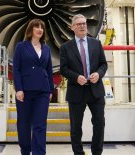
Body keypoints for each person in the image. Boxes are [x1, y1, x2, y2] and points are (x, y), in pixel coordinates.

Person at [60, 14, 108, 155]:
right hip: (76, 91)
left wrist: (98, 74)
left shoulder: (96, 43)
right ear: (73, 27)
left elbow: (103, 64)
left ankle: (97, 152)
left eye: (84, 23)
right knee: (76, 127)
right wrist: (76, 77)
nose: (82, 26)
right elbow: (63, 69)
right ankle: (78, 153)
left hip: (96, 91)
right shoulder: (65, 47)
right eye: (79, 24)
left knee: (99, 124)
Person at [13, 19, 54, 155]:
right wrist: (18, 89)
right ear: (30, 30)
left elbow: (49, 70)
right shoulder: (21, 46)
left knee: (40, 126)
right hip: (25, 91)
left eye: (42, 27)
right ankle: (25, 150)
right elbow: (16, 69)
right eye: (37, 26)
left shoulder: (46, 48)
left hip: (42, 91)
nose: (40, 29)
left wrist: (50, 90)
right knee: (24, 125)